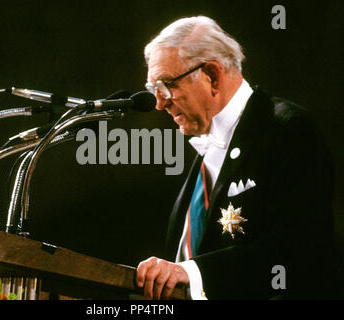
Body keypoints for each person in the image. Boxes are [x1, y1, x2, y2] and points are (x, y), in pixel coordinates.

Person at [135, 16, 336, 300]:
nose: (159, 102)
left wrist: (192, 273)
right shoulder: (207, 145)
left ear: (212, 76)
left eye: (167, 85)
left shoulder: (287, 131)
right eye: (154, 89)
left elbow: (297, 251)